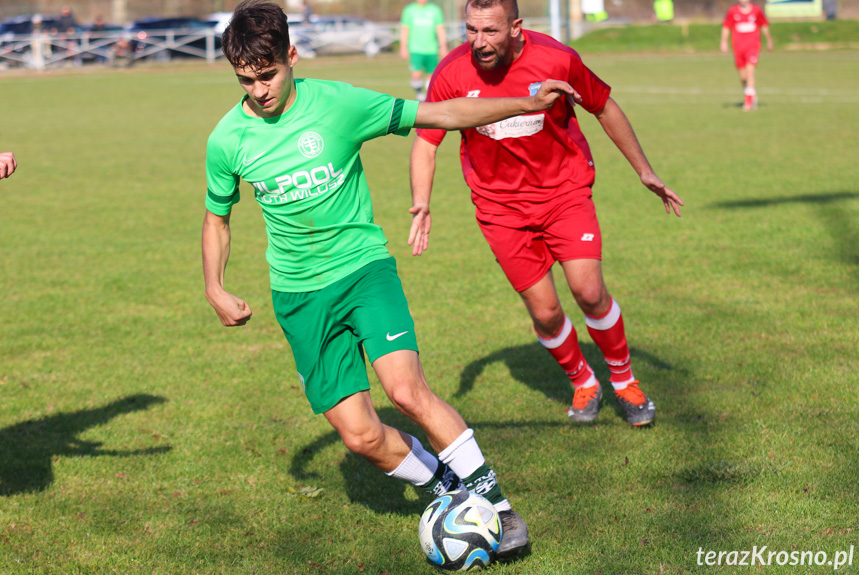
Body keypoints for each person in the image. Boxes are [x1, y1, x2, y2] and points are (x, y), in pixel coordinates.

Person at [203, 0, 576, 558]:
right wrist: (215, 285)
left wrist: (526, 103)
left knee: (405, 392)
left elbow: (440, 115)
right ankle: (446, 491)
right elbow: (217, 218)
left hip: (363, 270)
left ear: (292, 57)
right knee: (361, 436)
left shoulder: (341, 104)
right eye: (246, 80)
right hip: (300, 296)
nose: (258, 91)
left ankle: (495, 505)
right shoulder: (227, 139)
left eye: (268, 75)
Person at [408, 0, 684, 428]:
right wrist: (422, 200)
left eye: (490, 31)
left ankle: (625, 380)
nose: (478, 42)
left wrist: (644, 170)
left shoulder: (557, 58)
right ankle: (583, 381)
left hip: (564, 193)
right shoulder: (452, 73)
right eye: (471, 30)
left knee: (589, 291)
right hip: (500, 209)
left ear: (516, 26)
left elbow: (604, 106)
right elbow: (426, 141)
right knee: (546, 313)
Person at [721, 0, 773, 111]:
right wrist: (724, 41)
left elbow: (764, 25)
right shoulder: (733, 11)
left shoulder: (756, 11)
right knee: (743, 77)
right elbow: (726, 27)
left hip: (752, 46)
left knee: (750, 72)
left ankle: (748, 102)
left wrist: (769, 40)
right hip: (738, 48)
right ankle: (751, 93)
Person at [400, 0, 447, 101]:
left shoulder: (435, 10)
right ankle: (419, 94)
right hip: (415, 49)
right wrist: (403, 46)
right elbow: (405, 29)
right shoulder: (409, 10)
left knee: (431, 76)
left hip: (432, 49)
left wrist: (443, 45)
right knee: (416, 74)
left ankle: (429, 97)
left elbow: (440, 28)